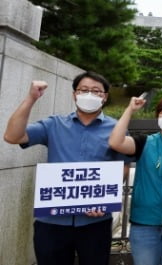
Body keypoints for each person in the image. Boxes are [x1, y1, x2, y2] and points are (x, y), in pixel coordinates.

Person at [3, 72, 129, 265]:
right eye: (83, 90)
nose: (89, 95)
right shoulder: (54, 124)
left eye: (96, 91)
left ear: (105, 97)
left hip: (95, 221)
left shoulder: (116, 128)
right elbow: (12, 136)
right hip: (51, 221)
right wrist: (31, 98)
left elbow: (124, 166)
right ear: (74, 95)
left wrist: (102, 198)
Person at [108, 95, 162, 265]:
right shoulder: (145, 142)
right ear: (157, 117)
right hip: (144, 224)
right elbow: (115, 142)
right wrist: (130, 110)